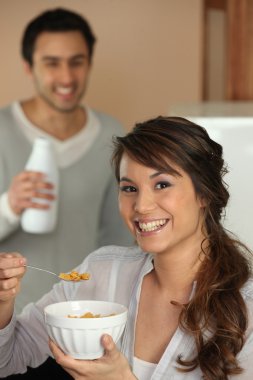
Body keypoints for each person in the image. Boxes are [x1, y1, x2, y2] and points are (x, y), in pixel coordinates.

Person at [0, 116, 252, 380]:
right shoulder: (100, 273)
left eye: (162, 184)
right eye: (129, 188)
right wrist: (3, 302)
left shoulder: (246, 313)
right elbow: (8, 360)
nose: (141, 206)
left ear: (204, 194)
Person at [0, 7, 132, 314]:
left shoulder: (111, 134)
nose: (66, 77)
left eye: (77, 62)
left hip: (86, 316)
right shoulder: (2, 130)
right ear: (28, 67)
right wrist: (10, 205)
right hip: (10, 320)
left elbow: (120, 238)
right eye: (51, 63)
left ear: (89, 63)